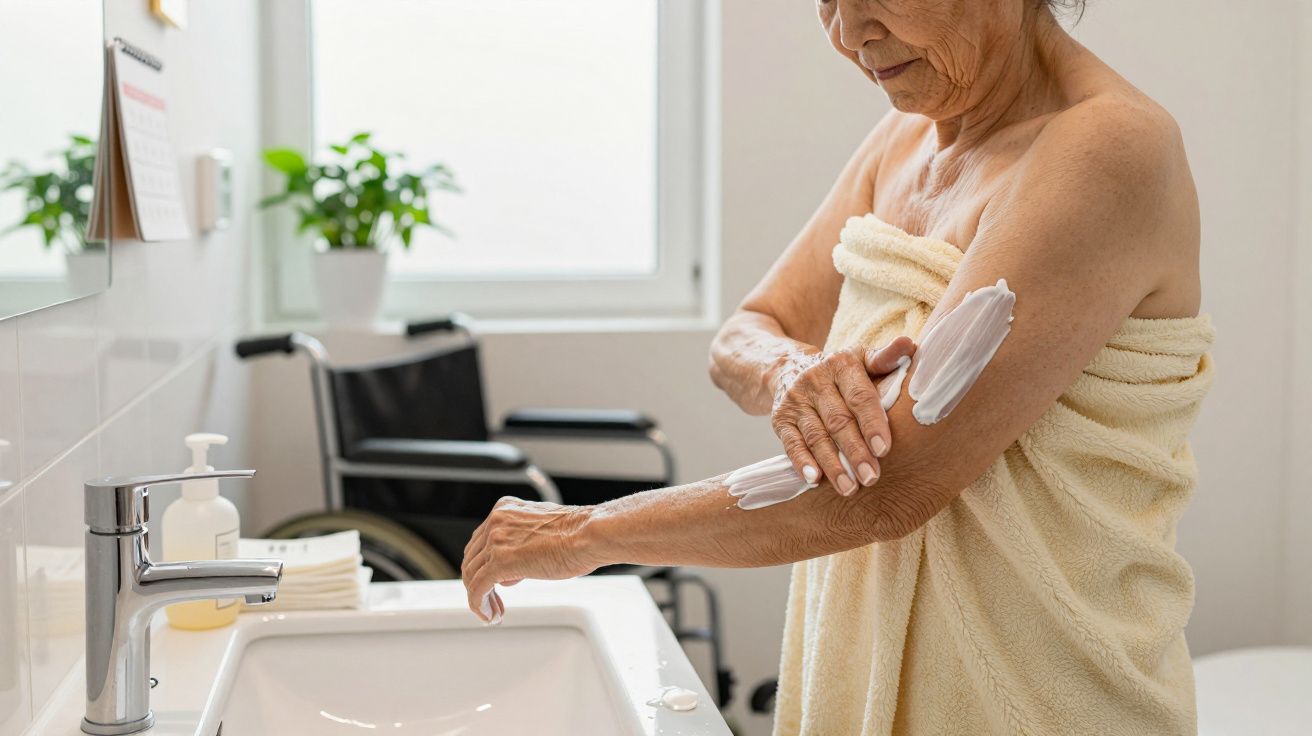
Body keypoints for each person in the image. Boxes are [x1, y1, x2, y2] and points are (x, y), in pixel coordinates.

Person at [461, 1, 1214, 732]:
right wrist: (795, 373)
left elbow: (884, 486)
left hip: (1046, 697)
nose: (850, 33)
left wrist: (582, 533)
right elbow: (748, 333)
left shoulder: (1111, 149)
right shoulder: (905, 140)